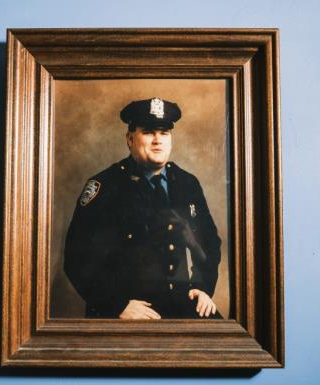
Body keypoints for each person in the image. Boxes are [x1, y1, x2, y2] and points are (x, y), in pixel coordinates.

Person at [64, 97, 222, 319]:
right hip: (128, 308)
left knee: (225, 347)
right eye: (148, 132)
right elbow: (76, 258)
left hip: (180, 302)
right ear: (130, 139)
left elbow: (210, 242)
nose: (158, 140)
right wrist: (116, 306)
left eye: (164, 133)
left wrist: (203, 288)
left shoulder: (187, 183)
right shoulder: (105, 186)